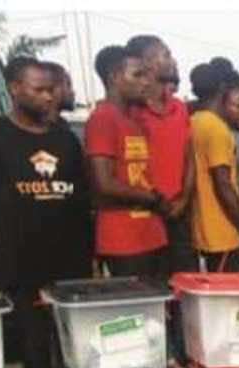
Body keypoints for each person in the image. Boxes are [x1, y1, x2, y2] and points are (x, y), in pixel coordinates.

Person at [0, 57, 91, 368]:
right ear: (15, 89)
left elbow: (81, 194)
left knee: (70, 330)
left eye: (51, 89)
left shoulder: (64, 139)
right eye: (39, 90)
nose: (49, 97)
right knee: (32, 332)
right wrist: (17, 223)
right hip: (23, 256)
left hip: (70, 255)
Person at [85, 45, 168, 278]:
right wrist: (154, 199)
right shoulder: (103, 119)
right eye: (138, 75)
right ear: (114, 77)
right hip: (123, 240)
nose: (146, 82)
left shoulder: (133, 121)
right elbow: (104, 184)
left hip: (151, 233)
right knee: (136, 301)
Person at [126, 34, 196, 275]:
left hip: (178, 213)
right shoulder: (130, 111)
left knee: (184, 282)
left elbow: (189, 158)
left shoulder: (179, 108)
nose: (172, 60)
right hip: (144, 213)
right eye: (165, 55)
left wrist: (183, 200)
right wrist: (155, 201)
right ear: (146, 62)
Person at [189, 64, 239, 272]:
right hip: (223, 232)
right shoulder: (216, 129)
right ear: (223, 90)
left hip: (204, 229)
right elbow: (222, 183)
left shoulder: (195, 121)